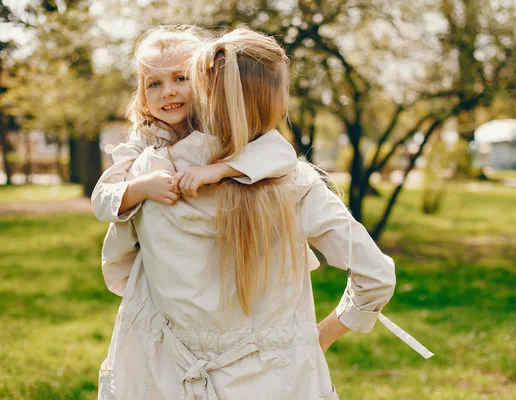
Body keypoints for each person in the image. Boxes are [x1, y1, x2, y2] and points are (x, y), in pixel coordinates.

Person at [98, 27, 431, 400]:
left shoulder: (149, 178)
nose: (169, 91)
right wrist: (320, 336)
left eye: (181, 78)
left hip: (168, 376)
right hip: (283, 381)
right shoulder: (295, 183)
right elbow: (376, 277)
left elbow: (119, 269)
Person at [91, 25, 297, 295]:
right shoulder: (142, 139)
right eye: (154, 83)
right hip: (157, 267)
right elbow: (101, 199)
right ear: (143, 97)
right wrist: (141, 187)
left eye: (180, 78)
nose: (167, 91)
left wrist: (218, 170)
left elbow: (280, 153)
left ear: (205, 82)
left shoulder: (219, 128)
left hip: (218, 259)